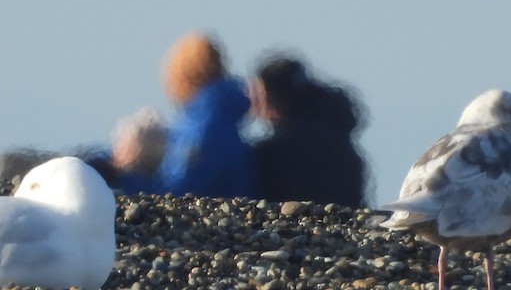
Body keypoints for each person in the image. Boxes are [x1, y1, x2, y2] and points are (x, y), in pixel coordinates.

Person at [110, 32, 255, 198]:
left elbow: (178, 193)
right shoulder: (220, 119)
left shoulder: (202, 128)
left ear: (181, 75)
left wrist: (124, 175)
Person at [248, 53, 370, 208]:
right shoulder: (337, 136)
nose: (250, 98)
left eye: (257, 92)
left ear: (271, 96)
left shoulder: (276, 151)